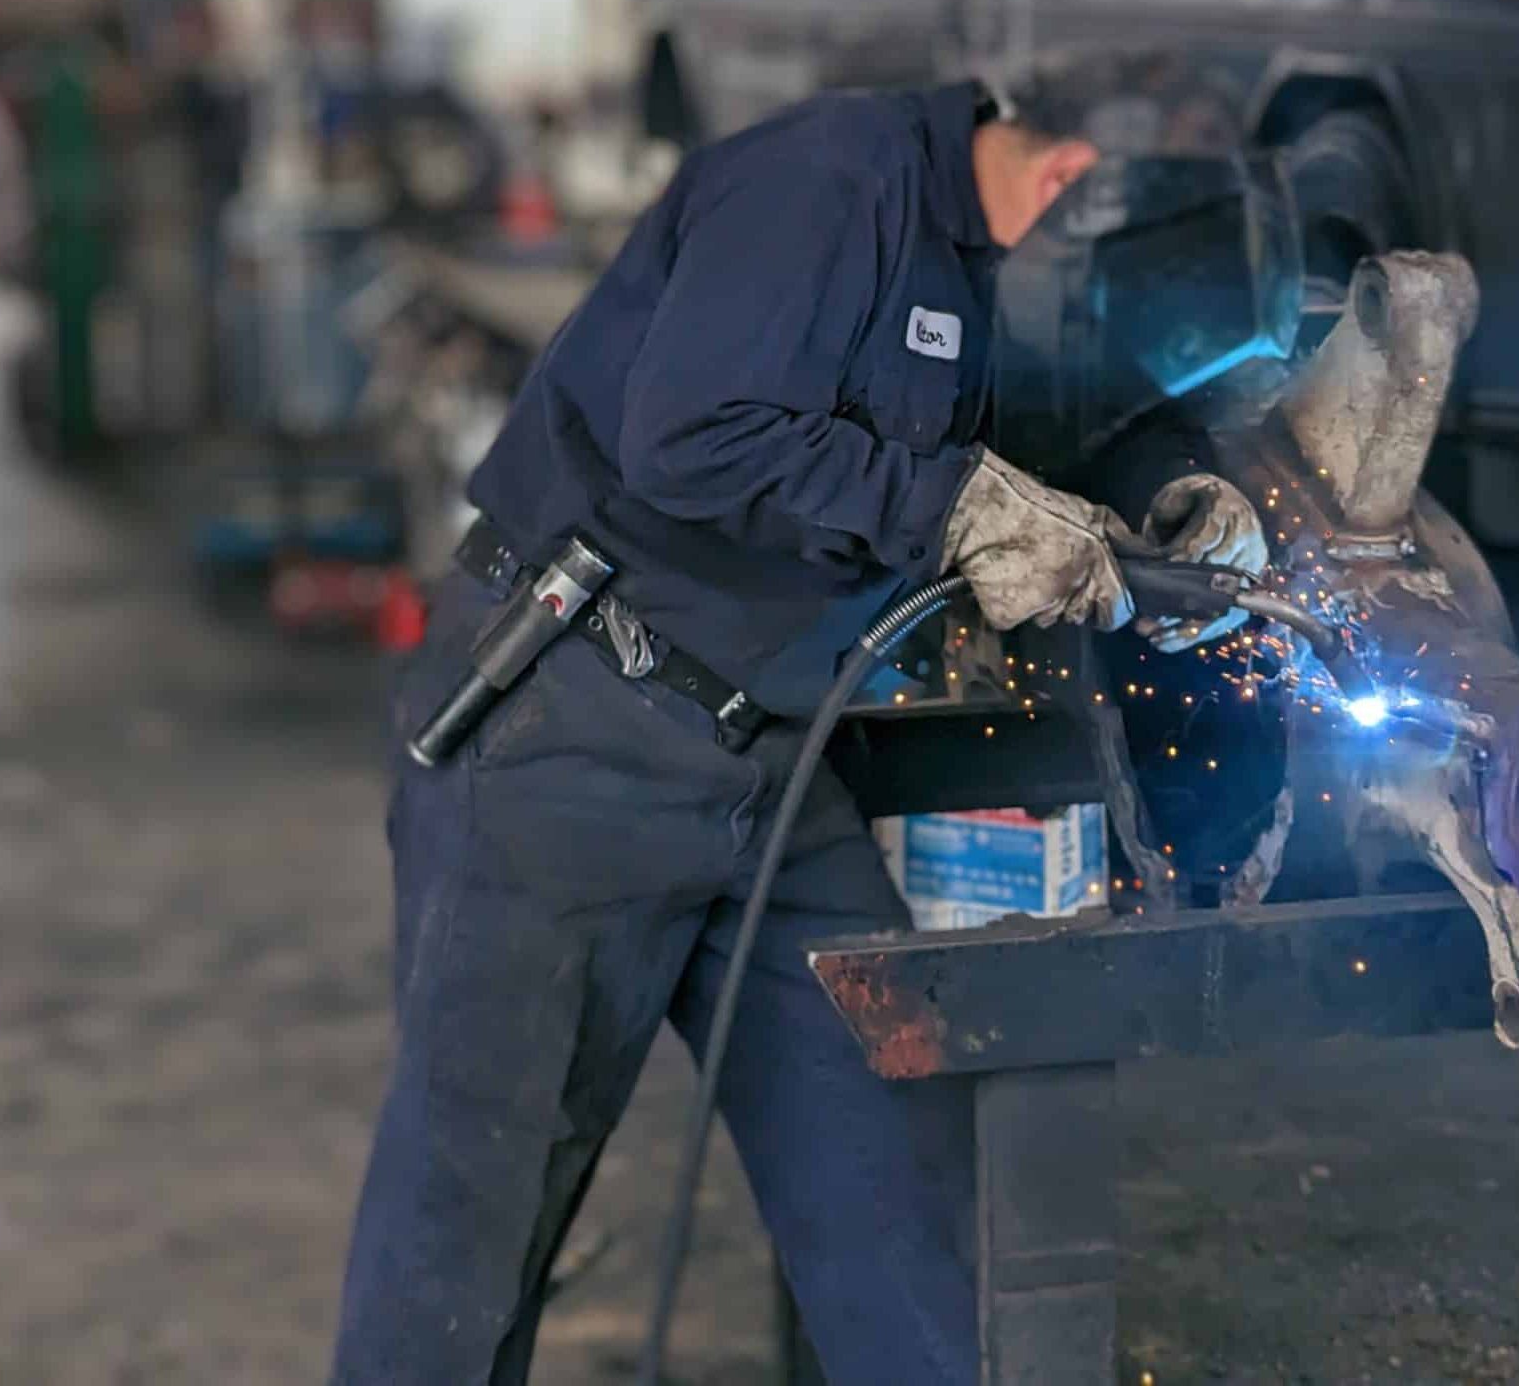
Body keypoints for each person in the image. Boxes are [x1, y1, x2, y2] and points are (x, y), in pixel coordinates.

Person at [333, 81, 1266, 1384]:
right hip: (566, 733)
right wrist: (949, 506)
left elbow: (1059, 422)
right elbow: (692, 438)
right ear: (1070, 177)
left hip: (764, 760)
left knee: (897, 1197)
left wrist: (1165, 491)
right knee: (467, 1237)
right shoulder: (831, 184)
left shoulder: (994, 268)